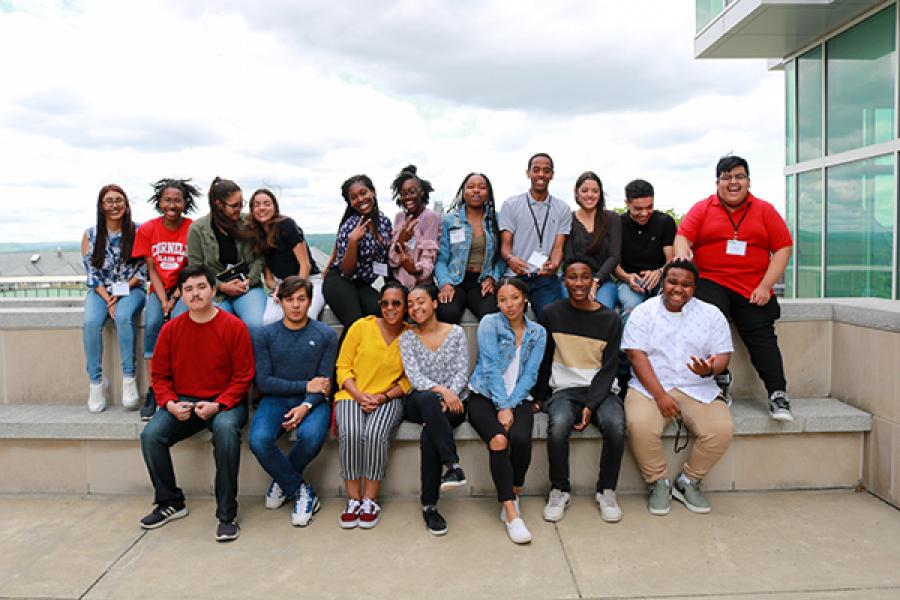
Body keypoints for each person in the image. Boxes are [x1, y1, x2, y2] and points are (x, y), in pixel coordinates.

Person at [673, 156, 794, 421]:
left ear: (748, 181)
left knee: (760, 331)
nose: (733, 182)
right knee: (707, 313)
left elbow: (784, 246)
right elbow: (683, 236)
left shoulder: (764, 210)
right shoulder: (703, 208)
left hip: (752, 285)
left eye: (739, 176)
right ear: (717, 182)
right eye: (726, 177)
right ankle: (720, 376)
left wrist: (766, 285)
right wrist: (682, 258)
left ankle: (777, 393)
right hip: (712, 280)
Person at [139, 265, 254, 542]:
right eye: (188, 289)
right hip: (185, 402)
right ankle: (170, 502)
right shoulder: (170, 330)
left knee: (226, 432)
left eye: (201, 287)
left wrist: (220, 404)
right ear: (180, 294)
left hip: (226, 401)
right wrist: (169, 404)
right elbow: (160, 377)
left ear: (213, 290)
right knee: (151, 435)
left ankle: (227, 515)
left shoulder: (234, 327)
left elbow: (244, 376)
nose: (195, 294)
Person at [622, 259, 734, 515]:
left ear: (694, 287)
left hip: (696, 386)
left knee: (721, 428)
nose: (678, 289)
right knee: (640, 425)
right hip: (649, 386)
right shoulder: (643, 312)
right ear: (663, 283)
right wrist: (660, 396)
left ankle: (688, 482)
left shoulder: (711, 314)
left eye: (686, 284)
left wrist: (711, 368)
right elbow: (636, 356)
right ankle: (658, 482)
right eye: (673, 282)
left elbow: (722, 355)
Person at [533, 257, 625, 523]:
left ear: (592, 279)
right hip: (564, 389)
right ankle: (559, 489)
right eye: (572, 277)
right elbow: (545, 358)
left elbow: (609, 370)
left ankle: (606, 490)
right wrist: (540, 396)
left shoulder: (610, 319)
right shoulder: (551, 314)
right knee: (559, 424)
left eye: (585, 276)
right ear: (564, 281)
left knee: (615, 425)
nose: (579, 283)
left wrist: (590, 406)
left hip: (601, 390)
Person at [249, 276, 337, 527]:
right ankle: (300, 490)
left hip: (314, 402)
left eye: (301, 299)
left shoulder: (326, 334)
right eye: (289, 300)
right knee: (258, 440)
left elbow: (324, 384)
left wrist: (306, 405)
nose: (296, 305)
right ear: (280, 301)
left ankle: (283, 481)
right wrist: (304, 385)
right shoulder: (265, 335)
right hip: (275, 400)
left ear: (310, 302)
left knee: (310, 436)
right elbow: (264, 382)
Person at [467, 277, 546, 544]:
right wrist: (502, 407)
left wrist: (511, 405)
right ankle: (512, 513)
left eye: (514, 297)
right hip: (484, 395)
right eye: (502, 299)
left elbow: (531, 373)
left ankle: (513, 491)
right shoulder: (490, 323)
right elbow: (489, 367)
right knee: (499, 440)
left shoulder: (538, 333)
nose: (508, 305)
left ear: (524, 298)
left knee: (522, 439)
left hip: (519, 396)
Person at [334, 282, 411, 529]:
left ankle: (369, 500)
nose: (390, 308)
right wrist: (358, 395)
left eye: (396, 303)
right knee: (351, 433)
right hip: (351, 395)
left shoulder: (410, 336)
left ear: (405, 307)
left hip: (388, 397)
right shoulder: (361, 327)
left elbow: (409, 379)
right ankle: (353, 500)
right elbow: (342, 367)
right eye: (385, 303)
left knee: (375, 434)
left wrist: (383, 397)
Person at [400, 284, 469, 536]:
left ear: (435, 303)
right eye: (410, 304)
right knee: (429, 401)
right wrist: (444, 392)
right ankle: (452, 465)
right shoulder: (407, 338)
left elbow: (463, 371)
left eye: (421, 301)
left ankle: (429, 505)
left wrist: (452, 394)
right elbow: (415, 378)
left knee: (430, 434)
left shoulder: (457, 333)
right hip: (420, 402)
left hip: (456, 403)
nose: (415, 307)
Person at [133, 178, 200, 421]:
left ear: (185, 203)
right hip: (158, 290)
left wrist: (174, 300)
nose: (172, 204)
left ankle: (182, 386)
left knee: (182, 321)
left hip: (185, 288)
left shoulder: (192, 228)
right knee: (152, 324)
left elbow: (191, 268)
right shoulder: (148, 229)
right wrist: (163, 300)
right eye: (167, 200)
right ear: (160, 202)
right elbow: (152, 269)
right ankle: (154, 390)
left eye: (177, 200)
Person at [81, 184, 147, 413]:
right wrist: (107, 296)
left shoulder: (139, 232)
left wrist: (118, 296)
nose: (114, 205)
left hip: (131, 289)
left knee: (123, 316)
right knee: (90, 322)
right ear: (101, 206)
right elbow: (91, 273)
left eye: (119, 200)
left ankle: (129, 378)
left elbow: (142, 271)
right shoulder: (91, 234)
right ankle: (96, 383)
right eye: (109, 201)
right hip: (101, 291)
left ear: (126, 204)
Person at [499, 153, 571, 319]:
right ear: (528, 173)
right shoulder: (511, 204)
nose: (541, 175)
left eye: (546, 171)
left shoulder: (562, 208)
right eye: (536, 170)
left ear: (552, 175)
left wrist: (554, 264)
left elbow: (558, 247)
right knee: (509, 319)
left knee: (552, 319)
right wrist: (510, 259)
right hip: (515, 275)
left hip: (544, 277)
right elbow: (505, 245)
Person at [187, 177, 266, 329]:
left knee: (256, 324)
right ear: (219, 205)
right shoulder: (197, 229)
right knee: (217, 326)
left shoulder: (248, 223)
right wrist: (221, 286)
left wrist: (249, 281)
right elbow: (196, 268)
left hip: (247, 285)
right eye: (234, 205)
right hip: (215, 290)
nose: (239, 209)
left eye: (241, 204)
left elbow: (258, 258)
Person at [323, 174, 393, 328]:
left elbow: (387, 259)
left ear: (373, 191)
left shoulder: (385, 223)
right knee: (355, 322)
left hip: (361, 284)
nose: (360, 199)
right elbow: (347, 271)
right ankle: (342, 353)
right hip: (340, 280)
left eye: (363, 193)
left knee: (379, 311)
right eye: (353, 197)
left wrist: (391, 289)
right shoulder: (350, 226)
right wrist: (353, 242)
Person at [435, 172, 506, 323]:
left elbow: (502, 257)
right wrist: (444, 283)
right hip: (454, 281)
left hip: (481, 282)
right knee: (447, 312)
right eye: (470, 187)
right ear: (463, 192)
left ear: (488, 193)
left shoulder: (497, 220)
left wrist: (492, 278)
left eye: (481, 187)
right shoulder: (449, 220)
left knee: (491, 316)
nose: (476, 191)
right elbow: (441, 259)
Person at [247, 188, 325, 324]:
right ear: (252, 210)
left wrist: (294, 290)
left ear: (274, 207)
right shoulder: (256, 235)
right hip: (283, 285)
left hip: (308, 280)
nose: (262, 208)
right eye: (257, 205)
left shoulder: (286, 225)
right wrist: (280, 290)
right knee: (269, 320)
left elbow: (305, 265)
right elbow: (269, 279)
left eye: (267, 203)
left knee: (306, 315)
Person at [614, 179, 676, 321]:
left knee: (668, 308)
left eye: (649, 207)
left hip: (660, 279)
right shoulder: (617, 223)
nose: (644, 213)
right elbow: (614, 264)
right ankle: (629, 343)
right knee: (631, 308)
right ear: (627, 203)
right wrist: (627, 278)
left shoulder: (665, 222)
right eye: (638, 209)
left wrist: (659, 272)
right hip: (629, 281)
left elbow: (671, 259)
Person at [562, 171, 620, 309]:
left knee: (601, 309)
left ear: (600, 194)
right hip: (575, 278)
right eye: (585, 190)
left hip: (603, 279)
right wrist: (581, 282)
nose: (590, 195)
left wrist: (596, 281)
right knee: (572, 309)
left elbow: (615, 255)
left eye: (595, 191)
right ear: (576, 192)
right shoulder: (568, 219)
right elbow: (569, 257)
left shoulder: (612, 218)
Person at [387, 165, 441, 290]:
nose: (407, 197)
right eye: (403, 193)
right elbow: (393, 261)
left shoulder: (429, 217)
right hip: (398, 282)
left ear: (421, 191)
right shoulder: (399, 217)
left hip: (420, 285)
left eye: (412, 192)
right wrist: (401, 239)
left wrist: (414, 268)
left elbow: (429, 259)